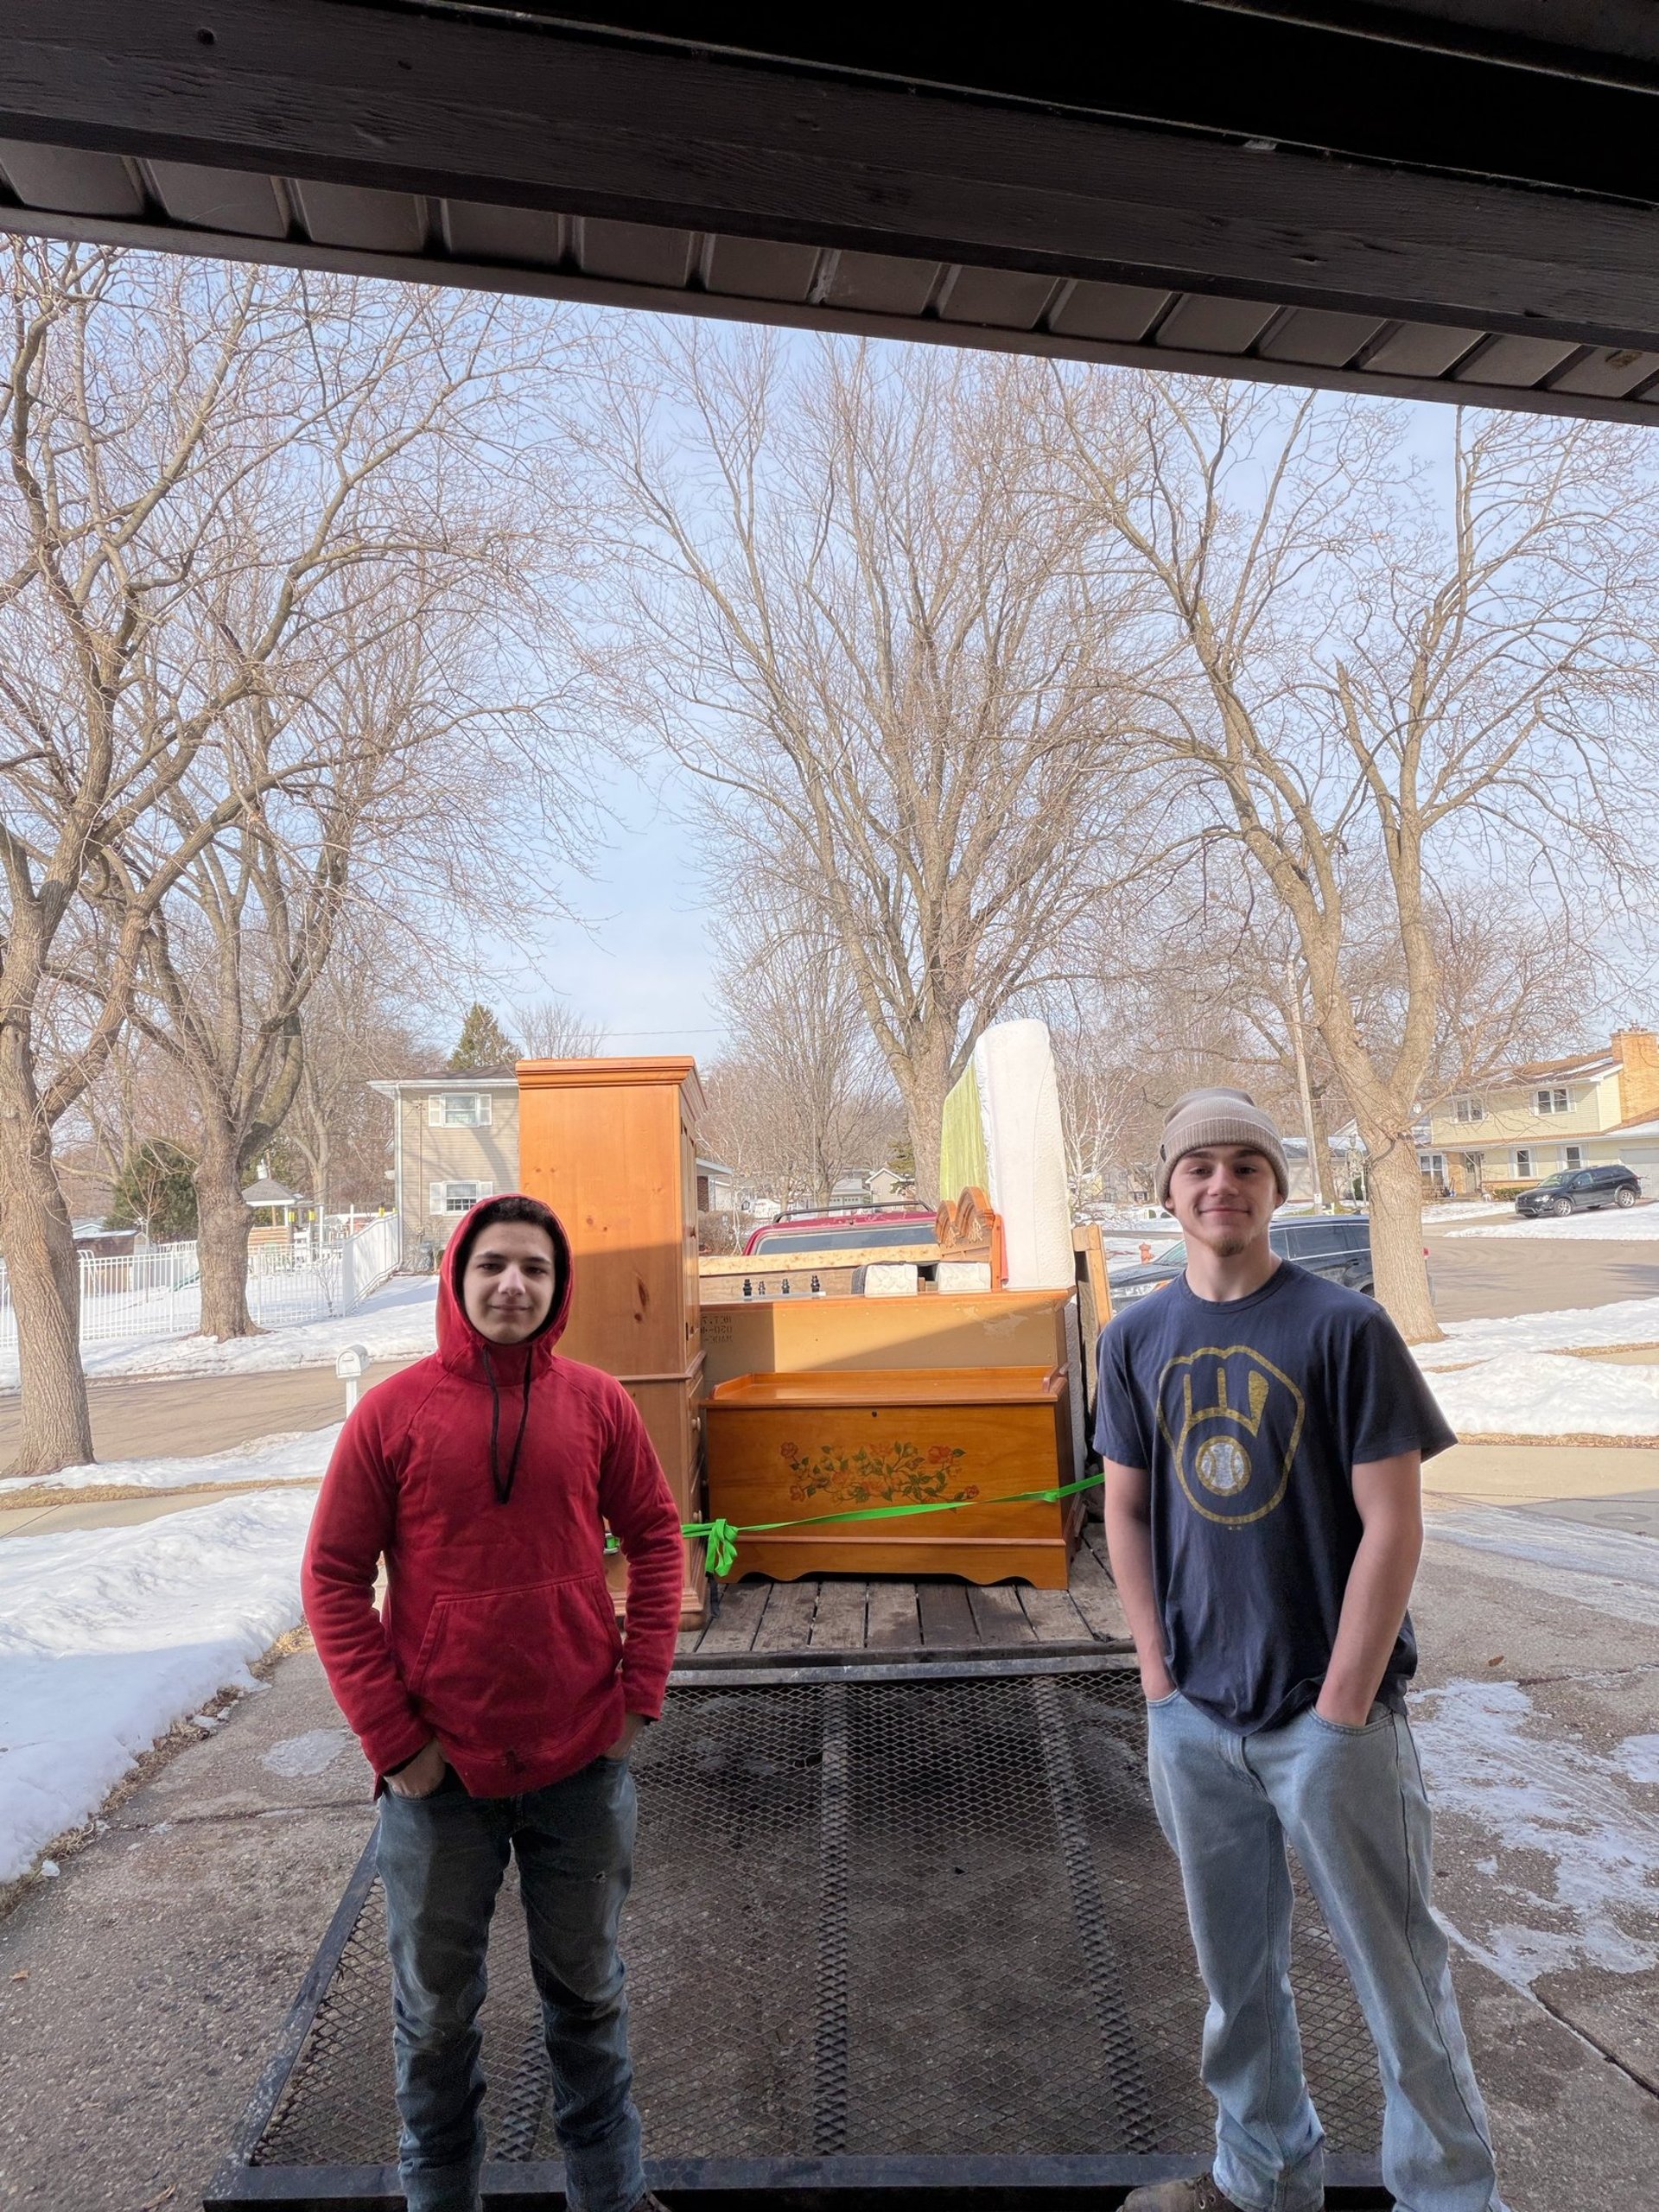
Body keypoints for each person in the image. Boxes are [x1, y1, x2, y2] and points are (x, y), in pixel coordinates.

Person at [1096, 1091, 1507, 2212]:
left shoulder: (1342, 1329)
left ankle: (1452, 2197)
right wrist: (1156, 1680)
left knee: (1400, 1987)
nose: (1220, 1185)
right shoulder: (1133, 1339)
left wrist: (1340, 1708)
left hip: (1335, 1730)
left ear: (1276, 1187)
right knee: (1237, 1986)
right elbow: (1125, 1514)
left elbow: (1393, 1523)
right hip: (1195, 1725)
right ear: (1168, 1190)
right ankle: (1262, 2176)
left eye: (1245, 1166)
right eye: (1198, 1168)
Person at [302, 1192, 684, 2212]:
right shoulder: (393, 1414)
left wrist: (637, 1695)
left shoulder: (599, 1404)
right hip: (439, 1780)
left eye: (535, 1269)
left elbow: (657, 1536)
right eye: (493, 1266)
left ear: (558, 1290)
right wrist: (395, 1742)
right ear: (457, 1277)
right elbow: (332, 1577)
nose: (513, 1284)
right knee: (433, 2021)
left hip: (579, 1767)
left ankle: (611, 2193)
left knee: (588, 2000)